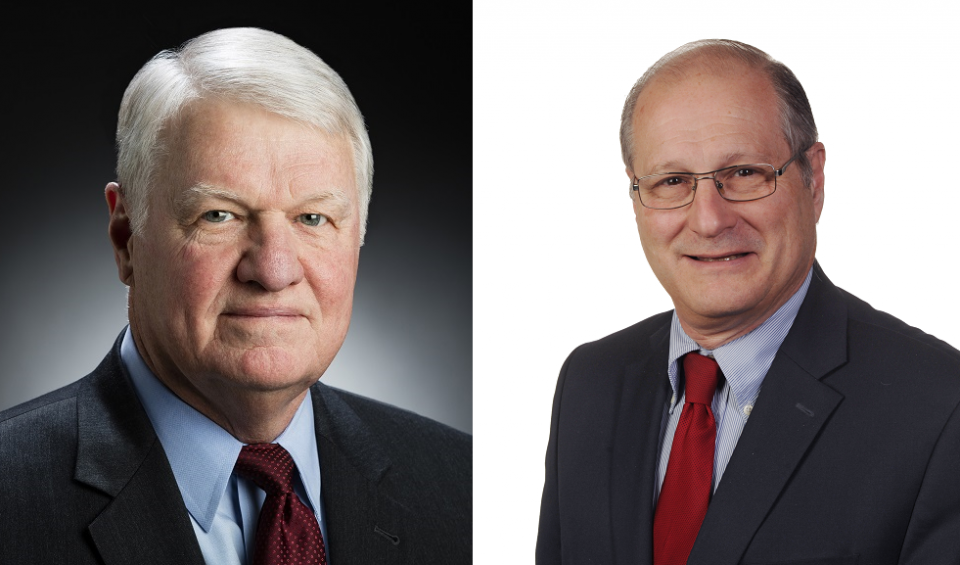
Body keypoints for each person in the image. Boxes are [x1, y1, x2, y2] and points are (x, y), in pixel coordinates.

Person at [0, 28, 470, 565]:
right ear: (126, 236)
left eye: (312, 218)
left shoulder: (462, 487)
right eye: (219, 215)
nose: (273, 270)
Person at [536, 39, 960, 565]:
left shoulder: (940, 408)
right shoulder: (589, 383)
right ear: (637, 195)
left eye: (744, 174)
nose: (710, 219)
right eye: (673, 181)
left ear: (814, 178)